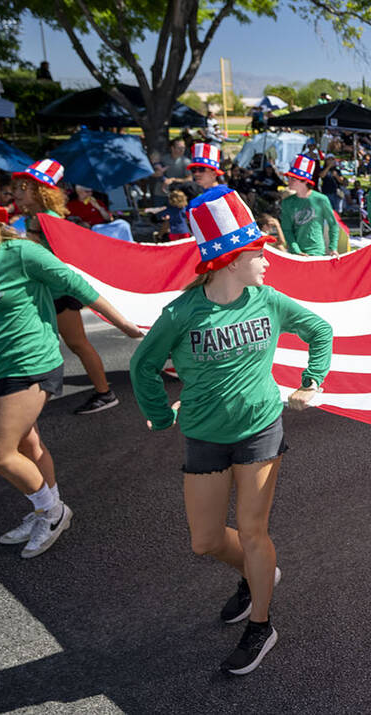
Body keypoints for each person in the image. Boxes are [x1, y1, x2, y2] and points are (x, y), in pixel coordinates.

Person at [129, 186, 333, 675]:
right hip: (203, 434)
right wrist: (160, 415)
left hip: (261, 428)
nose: (267, 260)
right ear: (230, 259)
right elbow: (143, 365)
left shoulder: (268, 299)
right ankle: (253, 573)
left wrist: (312, 382)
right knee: (204, 540)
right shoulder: (182, 313)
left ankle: (261, 624)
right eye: (258, 253)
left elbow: (320, 330)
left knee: (253, 529)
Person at [0, 163, 141, 558]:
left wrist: (124, 323)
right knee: (27, 444)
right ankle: (44, 509)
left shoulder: (21, 252)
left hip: (29, 363)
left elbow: (77, 284)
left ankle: (52, 512)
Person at [12, 161, 120, 415]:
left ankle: (105, 393)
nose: (16, 192)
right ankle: (15, 407)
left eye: (23, 187)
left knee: (76, 344)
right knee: (38, 348)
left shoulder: (44, 221)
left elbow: (51, 259)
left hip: (58, 294)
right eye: (17, 187)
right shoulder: (39, 219)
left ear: (40, 191)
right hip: (47, 295)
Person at [278, 154, 340, 257]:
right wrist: (296, 251)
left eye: (293, 179)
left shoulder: (321, 199)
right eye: (289, 178)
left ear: (305, 181)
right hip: (296, 253)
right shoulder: (287, 202)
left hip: (317, 251)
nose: (288, 182)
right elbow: (287, 229)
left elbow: (333, 224)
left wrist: (333, 248)